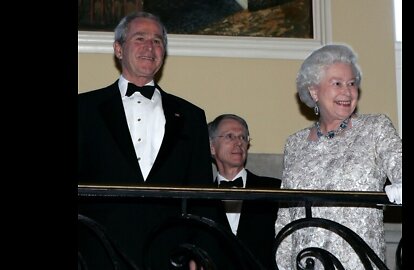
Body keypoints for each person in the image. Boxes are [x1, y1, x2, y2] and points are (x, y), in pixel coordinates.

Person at [78, 11, 227, 270]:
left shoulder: (192, 115)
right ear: (118, 49)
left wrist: (200, 252)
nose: (150, 46)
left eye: (157, 41)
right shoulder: (84, 109)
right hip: (97, 253)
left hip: (170, 255)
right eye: (140, 38)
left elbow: (202, 194)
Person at [274, 44, 402, 270]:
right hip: (307, 262)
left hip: (358, 260)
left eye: (352, 83)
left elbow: (399, 163)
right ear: (314, 91)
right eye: (337, 83)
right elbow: (287, 215)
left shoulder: (375, 128)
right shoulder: (295, 143)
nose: (347, 91)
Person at [208, 114, 282, 269]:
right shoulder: (200, 196)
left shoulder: (274, 189)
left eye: (243, 137)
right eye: (230, 136)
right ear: (212, 147)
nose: (239, 143)